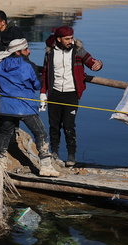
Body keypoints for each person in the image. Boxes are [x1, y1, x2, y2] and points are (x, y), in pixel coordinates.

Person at [0, 39, 60, 177]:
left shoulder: (0, 64)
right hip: (26, 107)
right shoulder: (28, 65)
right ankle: (46, 166)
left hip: (6, 107)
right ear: (18, 51)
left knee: (4, 134)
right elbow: (37, 84)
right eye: (26, 49)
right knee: (40, 133)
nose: (29, 51)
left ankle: (0, 162)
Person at [39, 25, 103, 166]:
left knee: (69, 126)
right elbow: (44, 73)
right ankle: (54, 153)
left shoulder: (78, 51)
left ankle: (71, 156)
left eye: (72, 38)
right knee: (54, 126)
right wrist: (43, 92)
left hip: (71, 94)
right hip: (54, 94)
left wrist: (98, 65)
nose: (70, 41)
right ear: (59, 39)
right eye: (67, 39)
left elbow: (91, 62)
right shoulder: (50, 53)